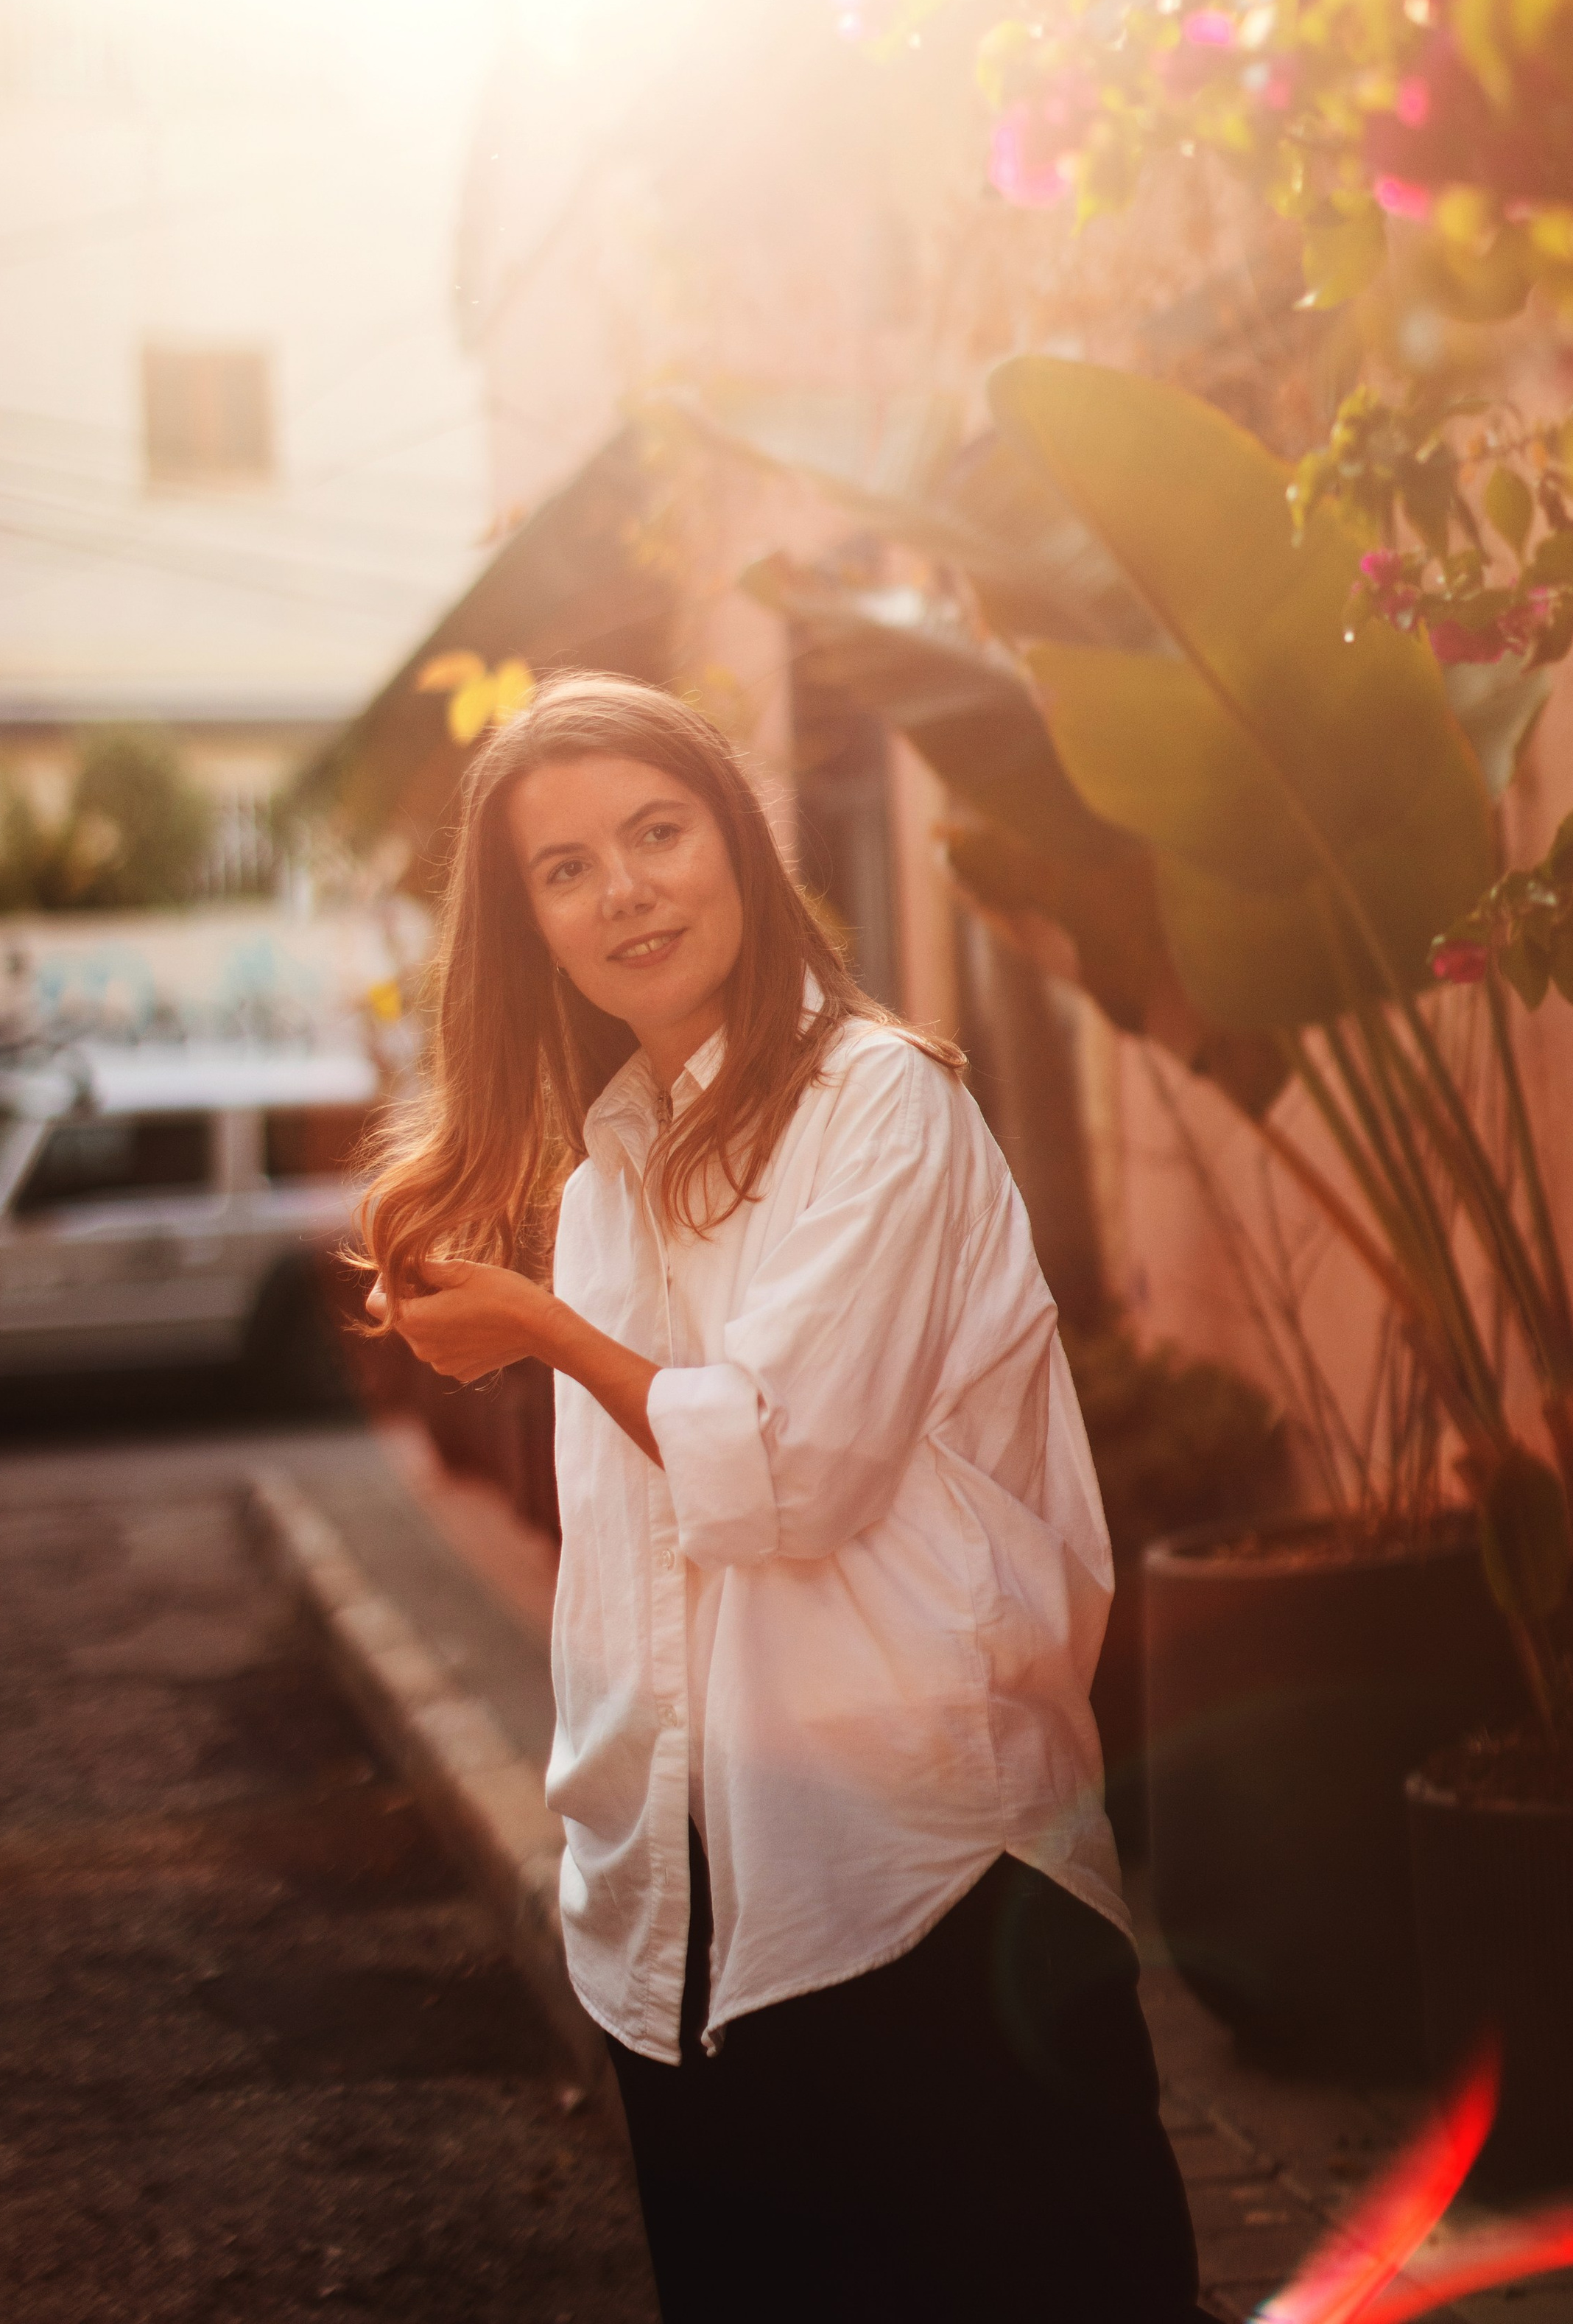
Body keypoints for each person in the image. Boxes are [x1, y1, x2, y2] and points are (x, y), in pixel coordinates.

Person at [360, 671, 1200, 2323]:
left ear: (737, 846)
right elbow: (626, 1564)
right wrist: (610, 1810)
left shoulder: (880, 1102)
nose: (625, 890)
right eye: (567, 868)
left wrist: (533, 1328)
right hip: (681, 1897)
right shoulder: (605, 1173)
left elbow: (785, 1468)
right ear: (528, 928)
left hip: (926, 1868)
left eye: (657, 832)